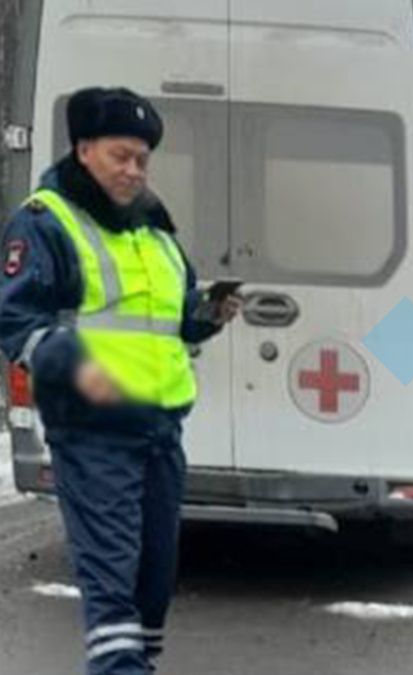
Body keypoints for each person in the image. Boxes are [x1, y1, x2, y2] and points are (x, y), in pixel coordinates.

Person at [0, 87, 240, 675]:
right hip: (93, 433)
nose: (134, 170)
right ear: (84, 150)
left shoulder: (154, 231)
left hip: (161, 432)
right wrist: (76, 369)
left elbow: (169, 320)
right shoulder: (45, 221)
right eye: (120, 156)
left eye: (142, 159)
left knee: (152, 582)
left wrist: (206, 314)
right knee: (112, 587)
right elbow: (15, 317)